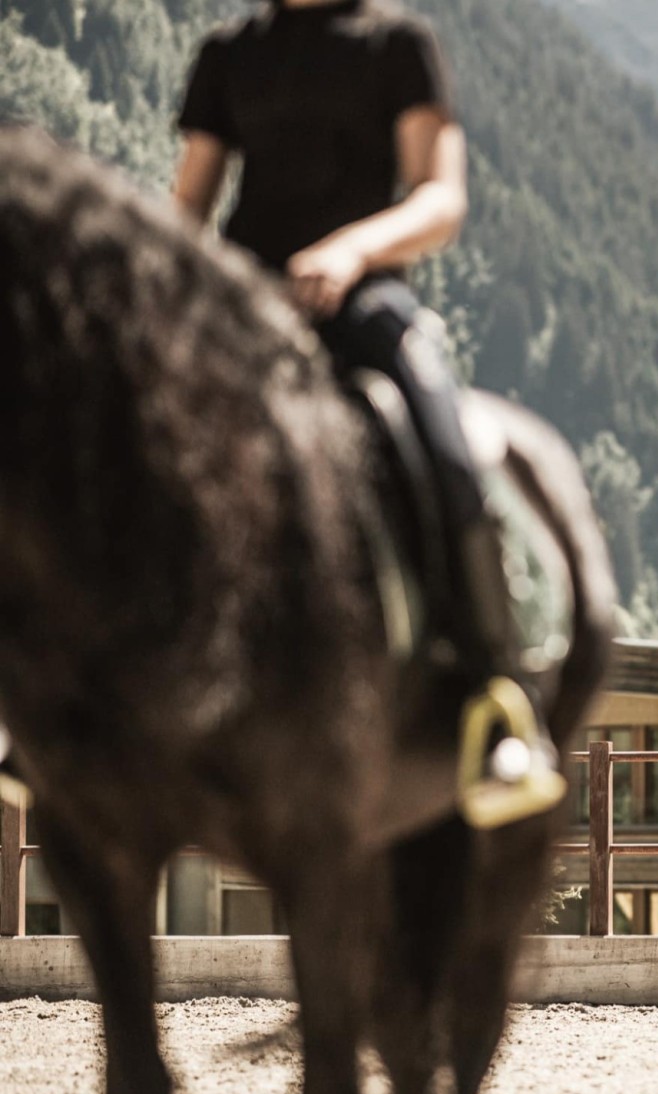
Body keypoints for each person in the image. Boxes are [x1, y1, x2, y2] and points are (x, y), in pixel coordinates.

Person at [171, 0, 532, 766]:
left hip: (359, 298)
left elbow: (441, 201)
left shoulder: (398, 44)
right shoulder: (228, 54)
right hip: (244, 302)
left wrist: (350, 251)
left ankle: (493, 697)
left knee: (442, 438)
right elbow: (186, 213)